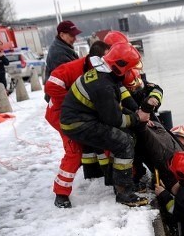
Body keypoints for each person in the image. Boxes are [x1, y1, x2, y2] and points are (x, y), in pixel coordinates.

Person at [59, 42, 151, 207]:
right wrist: (139, 118)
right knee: (124, 142)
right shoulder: (103, 86)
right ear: (120, 67)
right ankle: (124, 192)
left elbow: (118, 103)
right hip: (78, 124)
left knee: (124, 137)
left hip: (84, 117)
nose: (131, 73)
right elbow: (116, 120)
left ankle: (117, 182)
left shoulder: (106, 73)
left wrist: (135, 113)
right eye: (129, 69)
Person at [43, 40, 110, 208]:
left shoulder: (100, 70)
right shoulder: (73, 68)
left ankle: (100, 174)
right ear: (96, 59)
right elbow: (50, 86)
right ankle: (61, 193)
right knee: (74, 151)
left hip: (77, 114)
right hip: (60, 115)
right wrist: (71, 101)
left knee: (98, 139)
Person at [44, 20, 83, 96]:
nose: (75, 38)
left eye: (75, 35)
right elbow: (69, 79)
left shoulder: (65, 48)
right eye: (72, 35)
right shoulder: (58, 53)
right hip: (61, 96)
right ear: (62, 35)